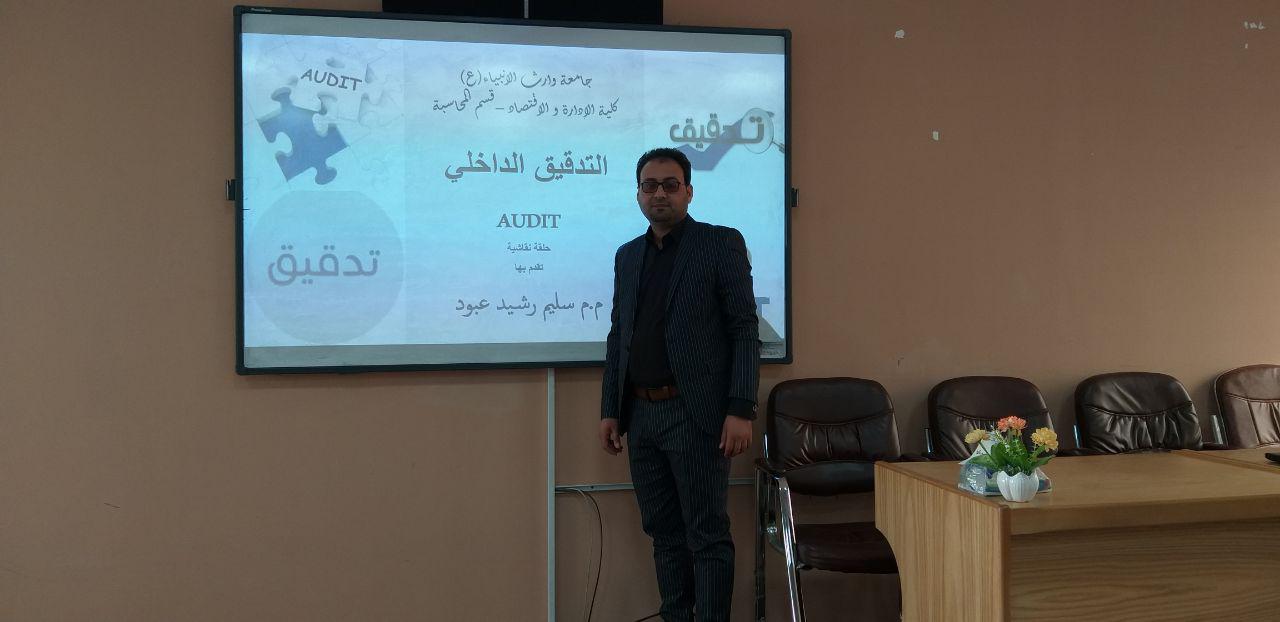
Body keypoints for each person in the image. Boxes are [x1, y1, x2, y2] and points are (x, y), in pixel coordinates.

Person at [599, 147, 761, 622]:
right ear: (638, 194)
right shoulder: (628, 256)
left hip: (698, 414)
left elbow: (743, 329)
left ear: (689, 191)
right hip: (641, 416)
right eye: (649, 186)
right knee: (663, 534)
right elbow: (620, 334)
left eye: (670, 185)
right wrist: (611, 409)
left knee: (707, 536)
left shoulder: (719, 243)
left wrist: (741, 407)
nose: (659, 194)